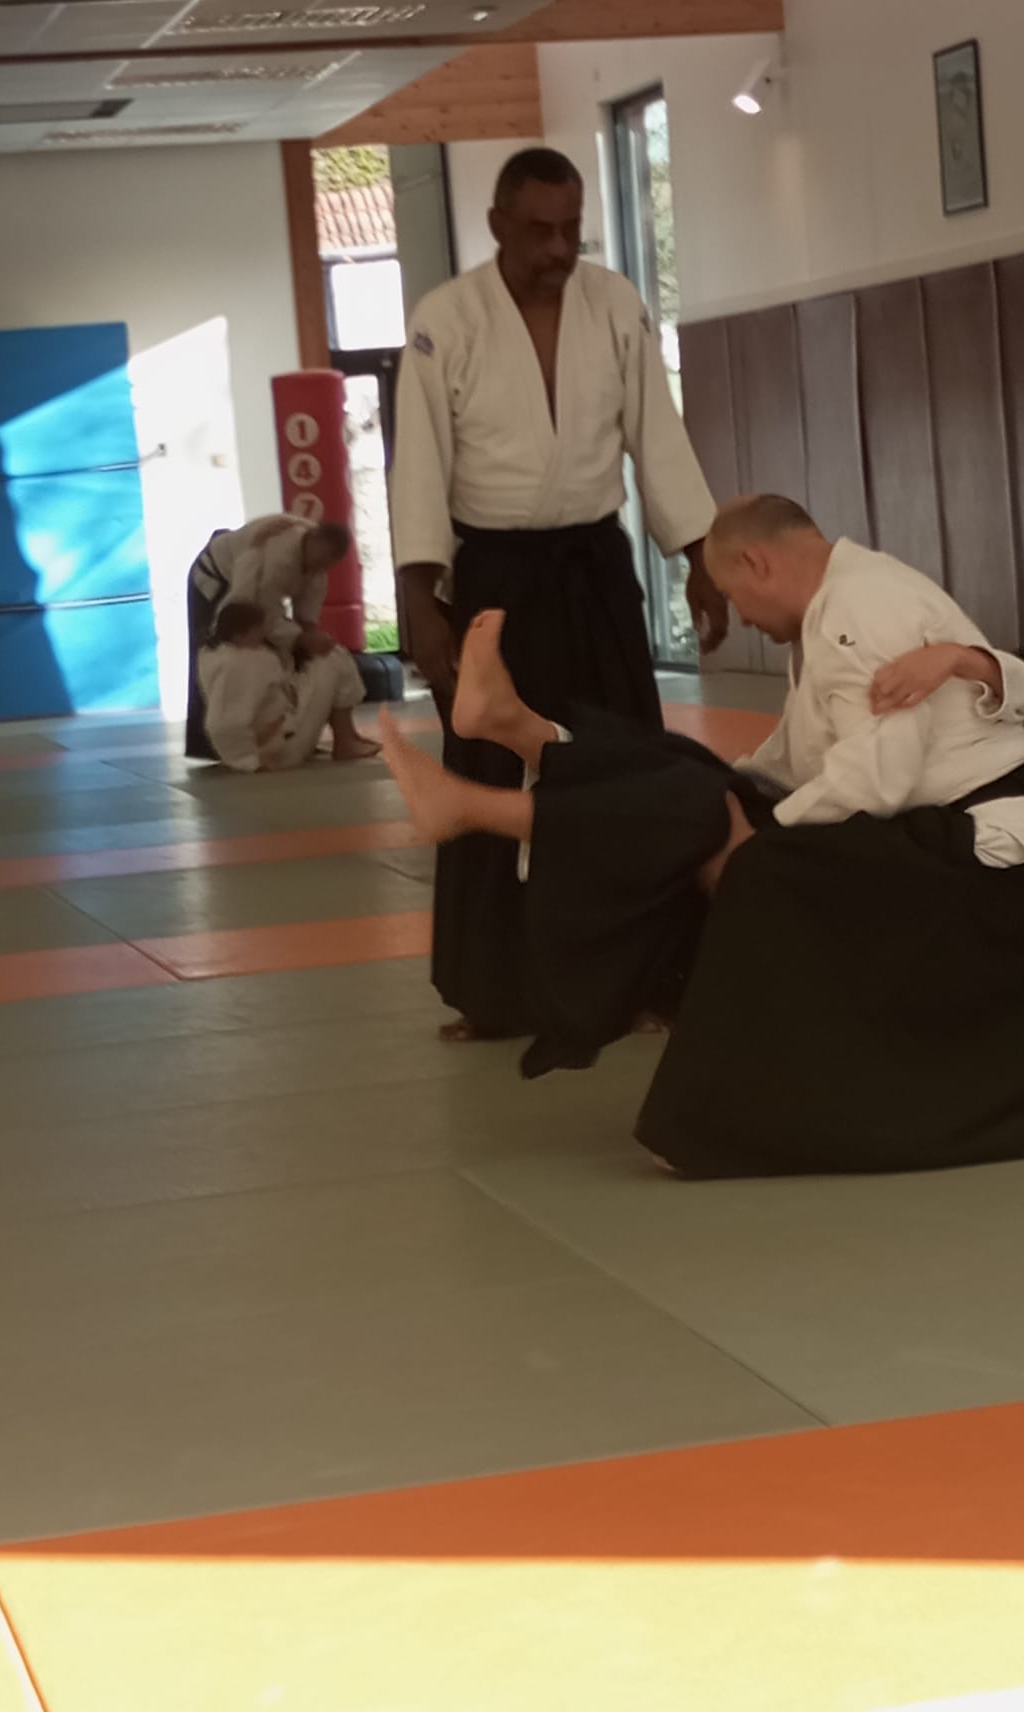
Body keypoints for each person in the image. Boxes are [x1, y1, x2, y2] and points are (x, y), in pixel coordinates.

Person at [376, 498, 1024, 1179]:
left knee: (731, 848)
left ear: (757, 562)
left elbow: (875, 780)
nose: (741, 617)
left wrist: (749, 837)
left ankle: (487, 792)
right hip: (938, 843)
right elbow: (791, 764)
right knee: (696, 794)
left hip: (981, 873)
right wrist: (724, 796)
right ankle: (522, 733)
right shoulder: (843, 603)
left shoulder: (859, 615)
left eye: (733, 595)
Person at [390, 145, 730, 1044]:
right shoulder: (446, 319)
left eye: (570, 230)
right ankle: (494, 991)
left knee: (630, 769)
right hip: (496, 576)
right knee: (494, 770)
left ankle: (654, 981)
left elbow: (658, 432)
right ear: (497, 225)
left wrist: (698, 555)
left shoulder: (614, 304)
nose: (556, 249)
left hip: (595, 567)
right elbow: (418, 466)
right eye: (538, 230)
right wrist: (421, 599)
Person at [185, 514, 375, 763]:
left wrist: (312, 636)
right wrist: (300, 640)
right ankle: (219, 745)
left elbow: (306, 616)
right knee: (227, 656)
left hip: (250, 588)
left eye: (327, 563)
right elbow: (260, 612)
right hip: (216, 579)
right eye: (319, 559)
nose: (320, 567)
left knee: (319, 656)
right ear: (310, 540)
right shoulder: (275, 555)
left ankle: (342, 737)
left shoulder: (318, 564)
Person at [196, 600, 368, 774]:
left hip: (273, 738)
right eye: (258, 631)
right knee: (332, 658)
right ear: (239, 635)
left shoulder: (219, 656)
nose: (263, 636)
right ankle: (346, 740)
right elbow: (226, 723)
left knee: (327, 660)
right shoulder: (241, 664)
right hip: (276, 750)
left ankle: (346, 740)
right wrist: (247, 761)